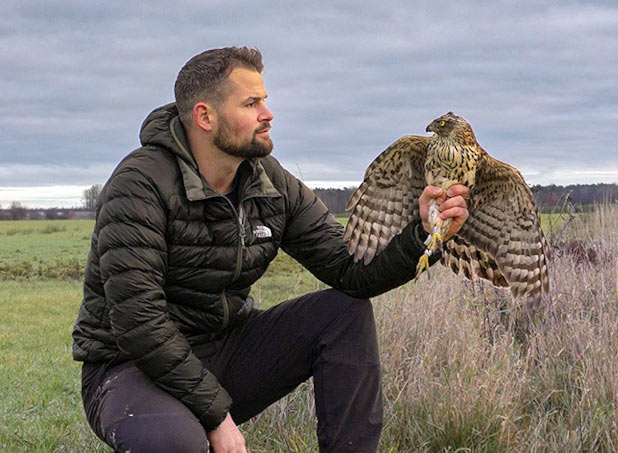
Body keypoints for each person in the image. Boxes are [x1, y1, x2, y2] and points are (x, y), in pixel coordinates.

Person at [72, 46, 469, 453]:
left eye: (265, 100)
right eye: (251, 103)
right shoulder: (139, 184)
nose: (268, 113)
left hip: (223, 347)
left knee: (344, 313)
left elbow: (350, 269)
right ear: (205, 116)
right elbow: (139, 323)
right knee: (177, 443)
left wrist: (424, 233)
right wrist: (216, 416)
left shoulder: (269, 182)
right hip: (130, 368)